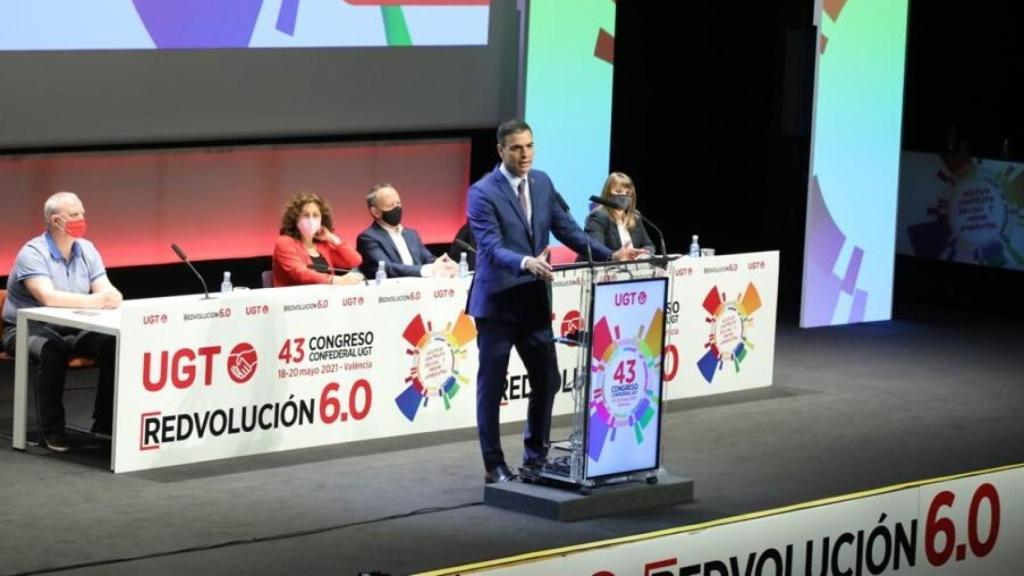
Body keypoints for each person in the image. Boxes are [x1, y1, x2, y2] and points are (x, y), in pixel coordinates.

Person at [466, 120, 640, 484]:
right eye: (516, 148)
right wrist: (525, 262)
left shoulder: (542, 182)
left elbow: (568, 230)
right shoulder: (482, 192)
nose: (525, 154)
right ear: (501, 150)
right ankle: (493, 464)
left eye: (529, 146)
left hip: (533, 299)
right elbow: (491, 248)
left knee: (547, 378)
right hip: (497, 303)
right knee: (492, 386)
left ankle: (535, 457)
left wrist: (610, 255)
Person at [1, 192, 121, 452]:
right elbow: (47, 297)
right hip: (26, 329)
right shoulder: (33, 253)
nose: (82, 219)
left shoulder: (87, 249)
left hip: (72, 327)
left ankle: (104, 425)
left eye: (82, 213)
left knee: (113, 344)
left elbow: (107, 291)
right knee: (51, 350)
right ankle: (52, 431)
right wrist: (97, 301)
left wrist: (111, 296)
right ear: (56, 221)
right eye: (75, 215)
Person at [356, 183, 458, 279]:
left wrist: (443, 264)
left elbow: (427, 259)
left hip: (420, 288)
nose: (397, 208)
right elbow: (386, 268)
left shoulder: (411, 234)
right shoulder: (368, 238)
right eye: (391, 205)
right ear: (376, 212)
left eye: (398, 203)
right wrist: (425, 270)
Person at [272, 192, 364, 287]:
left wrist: (332, 238)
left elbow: (355, 261)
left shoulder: (324, 246)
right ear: (295, 219)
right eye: (306, 215)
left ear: (322, 220)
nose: (311, 219)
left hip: (326, 295)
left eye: (315, 215)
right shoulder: (284, 242)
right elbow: (300, 274)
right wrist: (335, 280)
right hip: (295, 296)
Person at [579, 172, 656, 260]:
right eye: (618, 192)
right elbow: (596, 251)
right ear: (607, 193)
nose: (624, 196)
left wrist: (644, 253)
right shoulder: (597, 217)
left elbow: (649, 245)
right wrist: (616, 256)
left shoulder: (635, 217)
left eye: (627, 193)